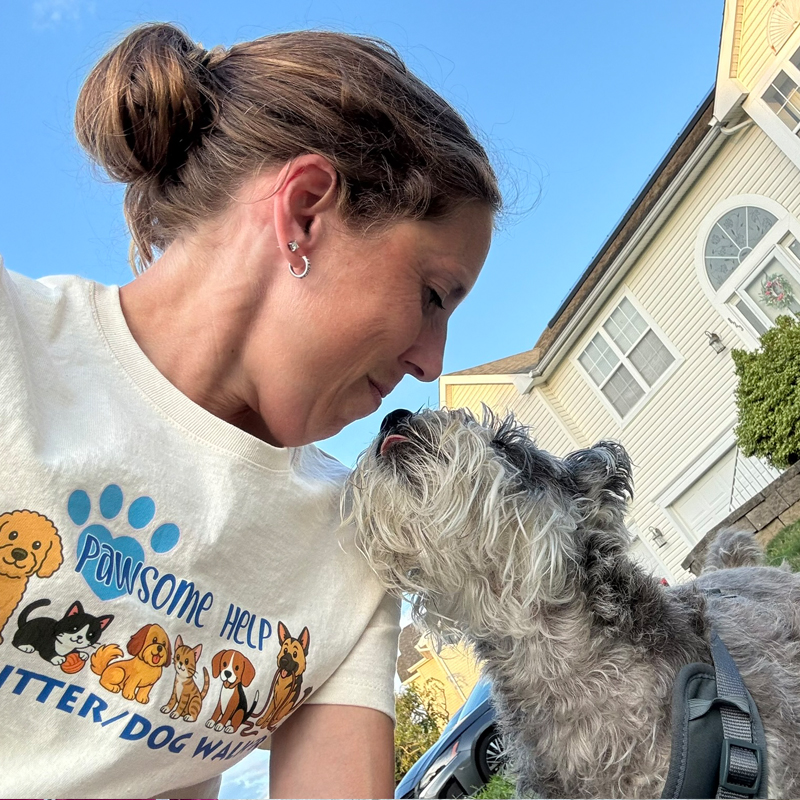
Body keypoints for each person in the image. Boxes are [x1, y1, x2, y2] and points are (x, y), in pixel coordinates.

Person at [0, 22, 499, 799]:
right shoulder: (14, 351)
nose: (431, 362)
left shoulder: (352, 544)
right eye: (432, 297)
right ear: (303, 211)